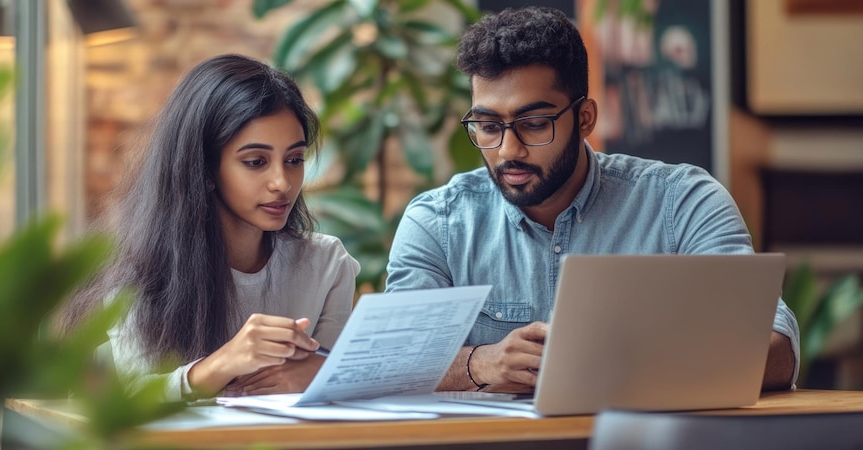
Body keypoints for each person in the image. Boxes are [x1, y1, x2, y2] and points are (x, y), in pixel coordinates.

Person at [385, 7, 799, 393]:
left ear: (585, 118)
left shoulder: (683, 202)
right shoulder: (438, 222)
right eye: (489, 125)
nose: (508, 150)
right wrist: (482, 363)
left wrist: (625, 361)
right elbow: (391, 361)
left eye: (533, 124)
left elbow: (776, 350)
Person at [58, 54, 360, 401]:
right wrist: (224, 363)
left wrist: (326, 373)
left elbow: (329, 384)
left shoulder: (327, 263)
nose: (282, 182)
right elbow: (133, 398)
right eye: (256, 162)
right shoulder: (139, 268)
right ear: (204, 167)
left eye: (293, 160)